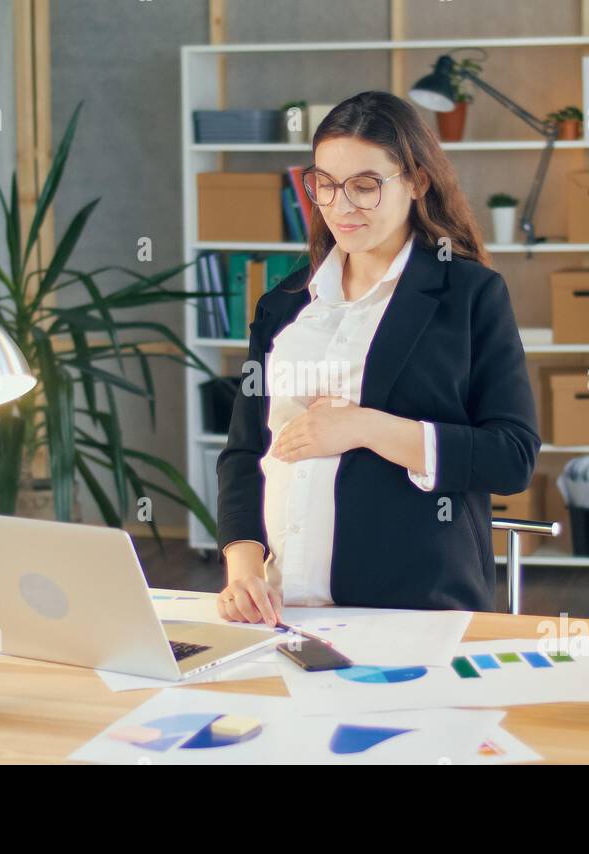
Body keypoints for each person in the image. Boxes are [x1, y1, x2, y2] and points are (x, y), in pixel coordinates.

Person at [215, 90, 540, 624]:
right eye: (325, 184)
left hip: (410, 609)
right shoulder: (283, 305)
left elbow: (512, 456)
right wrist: (243, 567)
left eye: (365, 186)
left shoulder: (469, 295)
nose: (341, 206)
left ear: (416, 181)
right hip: (281, 612)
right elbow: (246, 450)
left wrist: (363, 427)